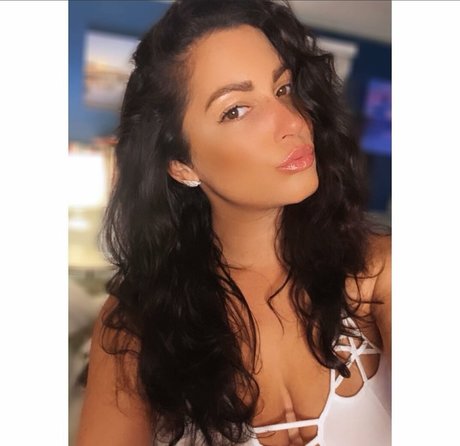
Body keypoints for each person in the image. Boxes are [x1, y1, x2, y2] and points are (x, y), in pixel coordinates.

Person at [76, 0, 391, 445]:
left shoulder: (377, 272)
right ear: (182, 164)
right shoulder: (137, 327)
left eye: (283, 89)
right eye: (236, 110)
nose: (292, 122)